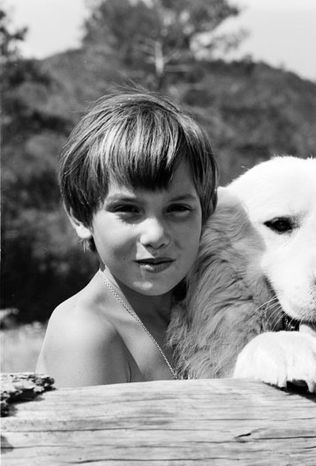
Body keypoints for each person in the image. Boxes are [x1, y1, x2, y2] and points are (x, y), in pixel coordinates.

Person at [36, 91, 218, 386]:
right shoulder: (86, 333)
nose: (155, 235)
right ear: (81, 217)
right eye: (128, 210)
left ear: (206, 210)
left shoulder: (206, 310)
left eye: (178, 209)